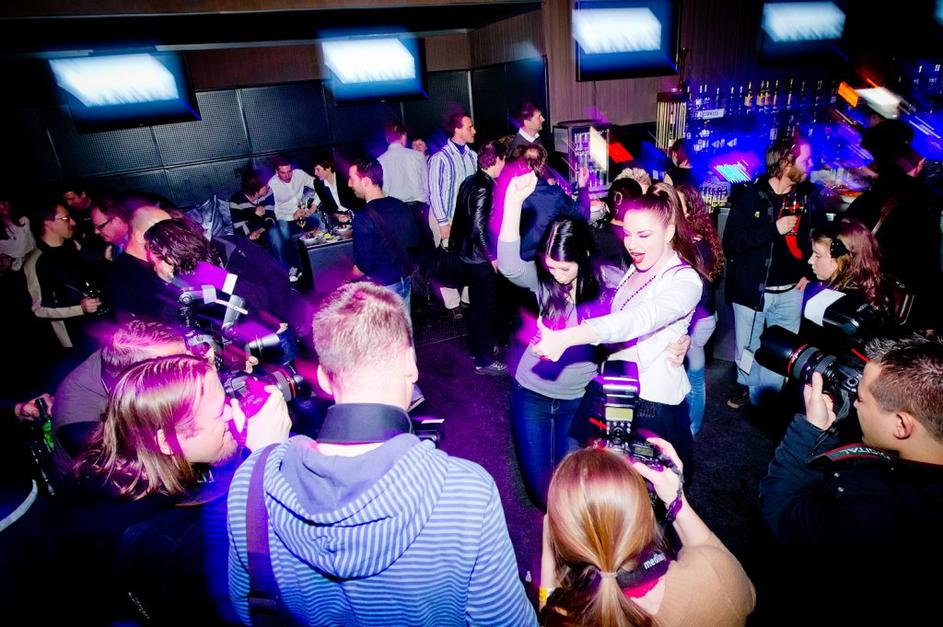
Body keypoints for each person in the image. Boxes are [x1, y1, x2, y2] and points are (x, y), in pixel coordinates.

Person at [227, 282, 537, 626]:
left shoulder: (249, 489)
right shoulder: (465, 492)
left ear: (325, 379)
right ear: (411, 363)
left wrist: (265, 456)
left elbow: (247, 610)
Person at [47, 354, 291, 625]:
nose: (233, 413)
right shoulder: (185, 539)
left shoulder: (99, 463)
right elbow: (262, 596)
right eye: (218, 412)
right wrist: (267, 460)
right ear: (166, 442)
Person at [759, 334, 943, 624]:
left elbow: (780, 513)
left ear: (901, 425)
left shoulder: (870, 510)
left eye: (861, 398)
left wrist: (810, 429)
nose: (855, 405)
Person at [530, 183, 703, 471]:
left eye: (644, 235)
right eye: (628, 233)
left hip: (651, 404)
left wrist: (566, 338)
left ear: (669, 232)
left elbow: (641, 318)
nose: (632, 244)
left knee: (642, 491)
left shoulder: (685, 280)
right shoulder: (637, 267)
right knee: (594, 480)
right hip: (614, 386)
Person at [498, 169, 625, 507]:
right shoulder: (544, 281)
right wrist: (512, 203)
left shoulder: (611, 282)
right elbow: (509, 266)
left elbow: (644, 311)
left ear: (584, 257)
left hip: (578, 398)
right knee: (540, 489)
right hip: (531, 393)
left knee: (571, 489)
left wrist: (675, 339)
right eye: (550, 266)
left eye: (564, 268)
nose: (556, 275)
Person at [540, 442, 755, 626]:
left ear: (565, 542)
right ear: (649, 517)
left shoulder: (564, 616)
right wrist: (676, 500)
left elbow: (547, 612)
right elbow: (720, 563)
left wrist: (548, 556)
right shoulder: (717, 582)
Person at [723, 137, 825, 409]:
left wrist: (809, 273)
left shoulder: (807, 197)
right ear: (786, 162)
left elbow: (816, 238)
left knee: (784, 351)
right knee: (748, 348)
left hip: (791, 291)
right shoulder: (750, 195)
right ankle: (748, 388)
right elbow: (731, 243)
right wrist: (773, 229)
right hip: (753, 291)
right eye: (805, 160)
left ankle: (768, 399)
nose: (810, 164)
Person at [144, 218, 313, 359]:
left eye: (154, 259)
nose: (153, 266)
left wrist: (278, 317)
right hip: (240, 353)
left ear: (170, 256)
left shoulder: (203, 273)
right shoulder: (176, 289)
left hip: (266, 342)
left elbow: (254, 295)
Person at [51, 320, 191, 473]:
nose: (192, 363)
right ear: (134, 380)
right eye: (176, 365)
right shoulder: (81, 424)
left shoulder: (125, 355)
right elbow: (134, 471)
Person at [846, 119, 941, 330]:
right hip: (905, 304)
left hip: (867, 297)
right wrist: (931, 320)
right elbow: (927, 262)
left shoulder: (866, 200)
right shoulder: (922, 198)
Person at [450, 139, 508, 375]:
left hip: (467, 255)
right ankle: (484, 361)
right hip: (479, 258)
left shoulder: (469, 181)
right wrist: (492, 257)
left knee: (476, 307)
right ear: (498, 160)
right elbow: (478, 229)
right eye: (504, 159)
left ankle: (477, 349)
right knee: (485, 309)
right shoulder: (485, 187)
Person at [676, 183, 724, 437]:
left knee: (693, 376)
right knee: (686, 374)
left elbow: (701, 295)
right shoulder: (691, 238)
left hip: (698, 318)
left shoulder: (694, 244)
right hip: (700, 316)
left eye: (678, 204)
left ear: (690, 210)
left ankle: (691, 429)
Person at [23, 200, 105, 350]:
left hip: (101, 325)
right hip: (75, 336)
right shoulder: (36, 262)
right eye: (66, 218)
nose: (73, 222)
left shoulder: (74, 246)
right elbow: (39, 308)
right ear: (48, 223)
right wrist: (80, 308)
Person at [428, 112, 477, 317]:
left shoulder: (473, 156)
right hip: (445, 218)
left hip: (465, 219)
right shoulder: (439, 158)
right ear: (457, 130)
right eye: (469, 127)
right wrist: (443, 223)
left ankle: (466, 298)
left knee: (466, 258)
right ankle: (452, 304)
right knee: (446, 260)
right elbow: (435, 192)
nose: (474, 130)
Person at [514, 144, 591, 262]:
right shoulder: (554, 195)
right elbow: (583, 214)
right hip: (536, 259)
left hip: (512, 256)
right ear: (542, 165)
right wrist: (582, 186)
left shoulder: (509, 186)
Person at [266, 155, 337, 273]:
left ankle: (327, 258)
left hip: (303, 215)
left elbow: (320, 185)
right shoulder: (272, 184)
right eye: (283, 173)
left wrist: (313, 207)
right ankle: (293, 267)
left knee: (320, 219)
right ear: (276, 172)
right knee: (283, 230)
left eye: (289, 171)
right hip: (284, 218)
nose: (287, 175)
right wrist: (292, 216)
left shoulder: (299, 174)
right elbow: (273, 212)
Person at [107, 204, 173, 320]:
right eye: (163, 231)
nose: (172, 237)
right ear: (140, 236)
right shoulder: (126, 276)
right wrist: (168, 281)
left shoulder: (150, 265)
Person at [377, 121, 429, 207]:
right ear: (404, 136)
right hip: (417, 206)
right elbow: (426, 184)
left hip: (393, 207)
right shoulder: (418, 156)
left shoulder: (380, 160)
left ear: (387, 138)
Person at [228, 167, 278, 252]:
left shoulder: (268, 192)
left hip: (265, 231)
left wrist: (260, 231)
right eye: (265, 185)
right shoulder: (236, 201)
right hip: (248, 237)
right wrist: (256, 216)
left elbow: (271, 218)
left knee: (275, 233)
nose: (268, 186)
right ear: (256, 187)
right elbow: (239, 231)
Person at [0, 196, 35, 273]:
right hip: (18, 267)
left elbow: (32, 241)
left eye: (4, 202)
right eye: (2, 203)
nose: (4, 206)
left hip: (33, 255)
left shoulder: (22, 220)